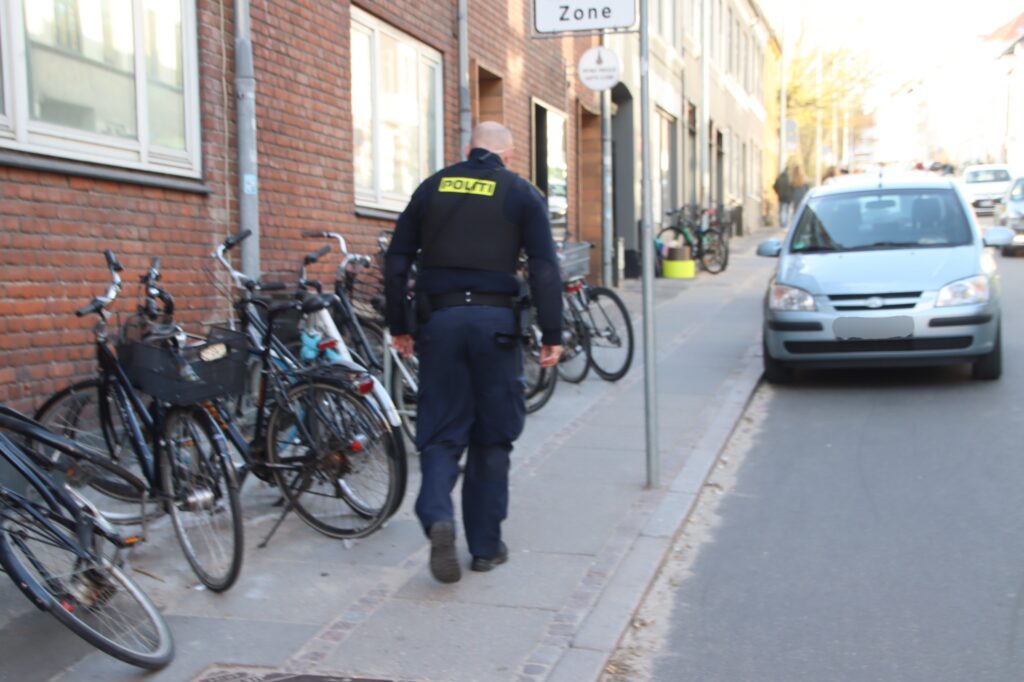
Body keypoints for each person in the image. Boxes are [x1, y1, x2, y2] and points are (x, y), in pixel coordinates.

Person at [384, 121, 563, 584]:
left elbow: (397, 260)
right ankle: (485, 548)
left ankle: (437, 514)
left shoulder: (432, 187)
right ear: (508, 155)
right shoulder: (520, 192)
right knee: (492, 435)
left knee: (442, 428)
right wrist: (552, 332)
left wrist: (399, 325)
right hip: (496, 325)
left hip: (440, 323)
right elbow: (544, 267)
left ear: (468, 149)